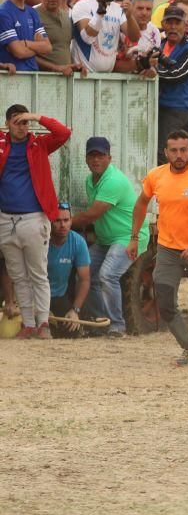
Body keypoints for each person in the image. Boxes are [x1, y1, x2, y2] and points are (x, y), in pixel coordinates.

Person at [128, 130, 188, 366]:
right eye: (174, 150)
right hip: (167, 249)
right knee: (165, 303)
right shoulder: (156, 176)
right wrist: (133, 238)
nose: (179, 155)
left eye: (184, 150)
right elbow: (141, 204)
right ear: (166, 153)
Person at [0, 104, 71, 340]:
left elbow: (64, 133)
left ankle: (43, 324)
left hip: (33, 217)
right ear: (8, 123)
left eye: (25, 122)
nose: (22, 127)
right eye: (17, 122)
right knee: (18, 275)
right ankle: (28, 324)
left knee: (38, 274)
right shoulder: (2, 144)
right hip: (5, 218)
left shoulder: (38, 144)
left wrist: (37, 117)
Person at [69, 137, 148, 339]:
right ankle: (99, 321)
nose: (96, 160)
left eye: (101, 156)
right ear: (86, 159)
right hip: (106, 240)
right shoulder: (90, 180)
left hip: (129, 237)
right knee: (85, 275)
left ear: (109, 158)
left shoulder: (113, 181)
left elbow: (92, 214)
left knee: (107, 275)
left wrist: (65, 223)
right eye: (92, 155)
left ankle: (117, 326)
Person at [155, 6, 188, 162]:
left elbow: (179, 74)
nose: (173, 27)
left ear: (186, 26)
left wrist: (153, 73)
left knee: (167, 155)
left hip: (178, 109)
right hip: (159, 106)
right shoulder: (160, 43)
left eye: (178, 23)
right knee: (159, 152)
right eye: (169, 22)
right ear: (163, 25)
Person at [71, 0, 141, 73]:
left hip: (107, 76)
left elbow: (135, 37)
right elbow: (87, 37)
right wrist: (101, 11)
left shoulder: (117, 8)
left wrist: (130, 16)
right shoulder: (82, 5)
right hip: (84, 75)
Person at [47, 203, 90, 338]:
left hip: (58, 296)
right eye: (58, 221)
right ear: (50, 222)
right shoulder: (41, 240)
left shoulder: (78, 242)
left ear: (71, 221)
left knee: (72, 331)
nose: (62, 225)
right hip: (35, 298)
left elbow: (85, 280)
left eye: (66, 220)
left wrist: (75, 310)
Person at [0, 0, 52, 72]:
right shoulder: (4, 12)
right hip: (13, 78)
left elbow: (48, 47)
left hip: (34, 75)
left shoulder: (32, 12)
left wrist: (25, 43)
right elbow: (19, 52)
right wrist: (38, 47)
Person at [34, 0, 82, 75]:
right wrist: (56, 68)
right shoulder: (32, 16)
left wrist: (75, 66)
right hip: (40, 80)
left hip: (65, 80)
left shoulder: (67, 16)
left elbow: (65, 49)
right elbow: (27, 55)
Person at [114, 0, 161, 74]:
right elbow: (114, 67)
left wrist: (152, 71)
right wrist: (140, 64)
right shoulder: (119, 27)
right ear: (130, 8)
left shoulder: (155, 31)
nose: (144, 13)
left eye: (148, 9)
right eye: (140, 8)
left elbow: (153, 63)